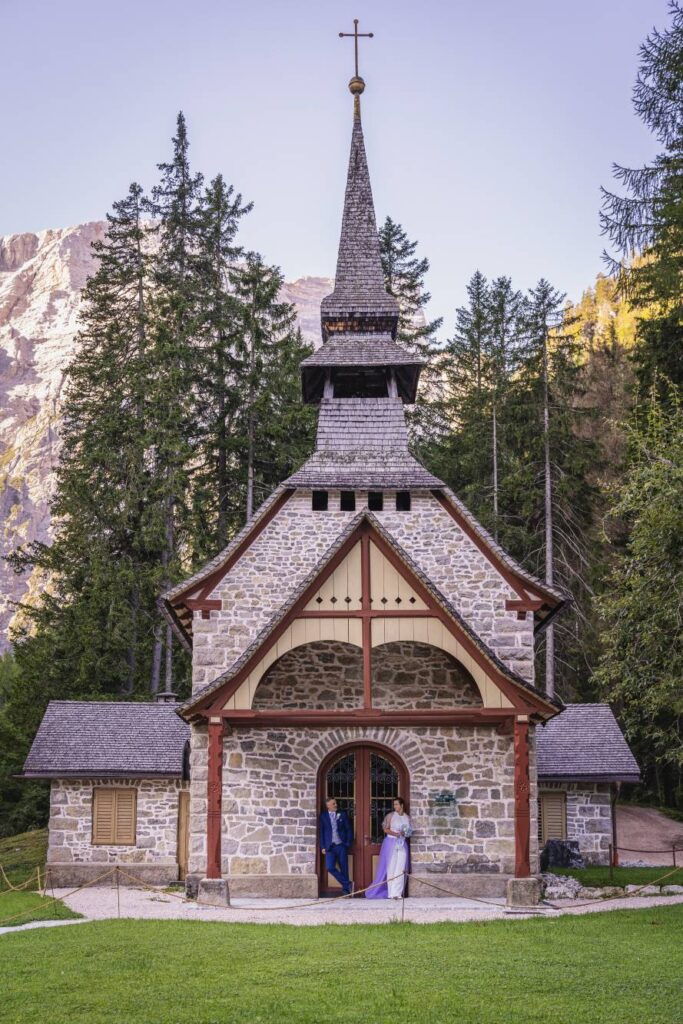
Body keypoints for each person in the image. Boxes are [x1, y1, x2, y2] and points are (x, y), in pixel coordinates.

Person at [365, 797, 412, 900]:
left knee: (401, 868)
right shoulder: (390, 816)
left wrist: (405, 833)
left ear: (402, 805)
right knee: (391, 867)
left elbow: (409, 831)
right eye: (394, 804)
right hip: (391, 842)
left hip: (402, 843)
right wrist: (396, 834)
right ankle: (391, 893)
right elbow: (385, 829)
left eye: (397, 804)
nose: (395, 806)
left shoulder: (407, 817)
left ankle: (397, 893)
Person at [319, 797, 353, 895]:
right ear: (328, 806)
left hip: (341, 846)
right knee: (329, 867)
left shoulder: (342, 814)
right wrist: (323, 846)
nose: (336, 805)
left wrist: (347, 843)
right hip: (329, 847)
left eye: (335, 803)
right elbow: (322, 832)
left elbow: (348, 829)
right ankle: (348, 884)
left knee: (344, 868)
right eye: (333, 804)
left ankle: (346, 891)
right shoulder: (323, 816)